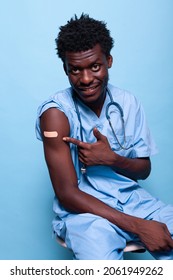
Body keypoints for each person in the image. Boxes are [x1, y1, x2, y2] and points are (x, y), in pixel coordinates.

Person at [36, 14, 173, 260]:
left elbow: (143, 170)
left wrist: (112, 159)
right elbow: (67, 194)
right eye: (75, 69)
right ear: (65, 68)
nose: (86, 79)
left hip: (136, 201)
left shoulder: (128, 103)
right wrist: (138, 226)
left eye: (94, 67)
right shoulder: (56, 115)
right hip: (86, 215)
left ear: (108, 61)